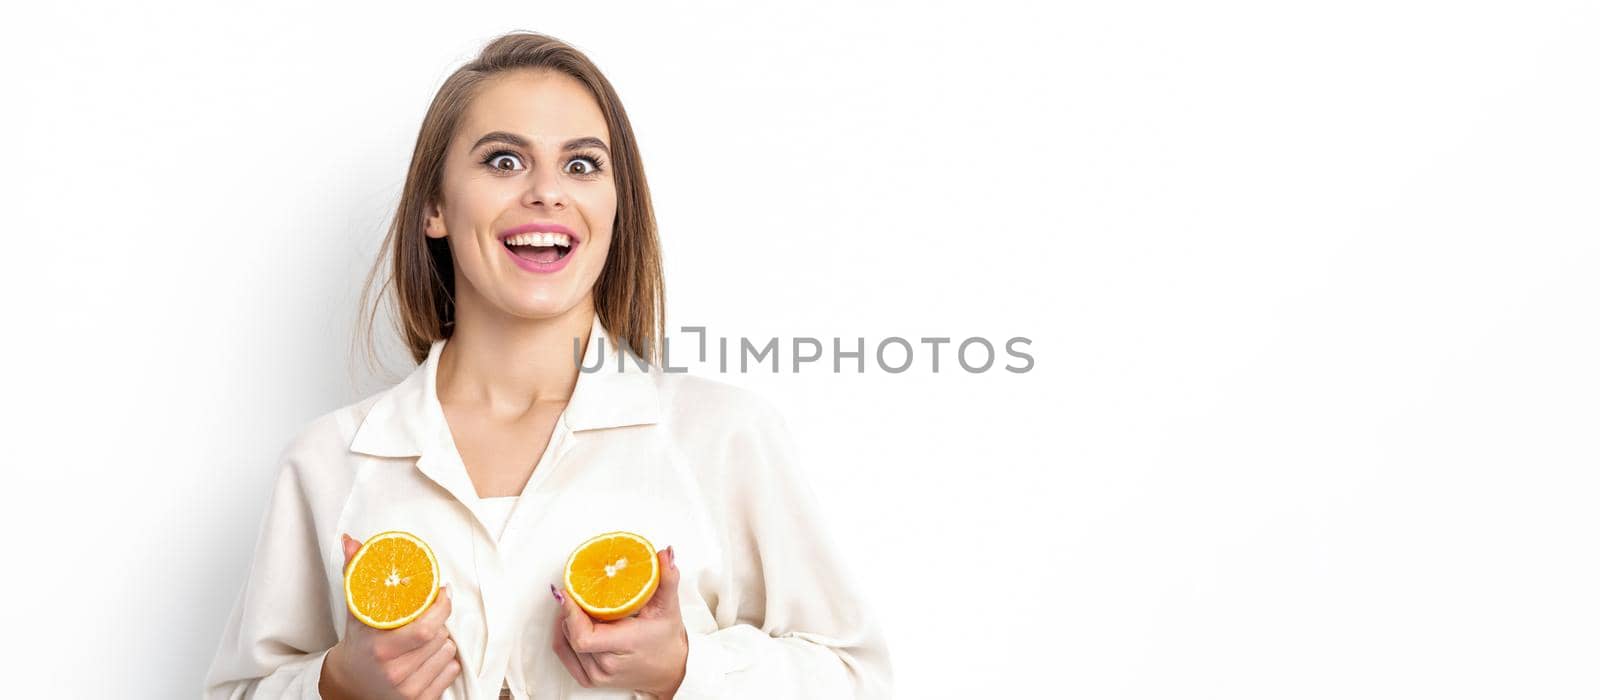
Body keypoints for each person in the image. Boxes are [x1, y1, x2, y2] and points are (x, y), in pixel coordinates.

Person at [202, 30, 893, 700]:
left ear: (615, 206)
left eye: (582, 164)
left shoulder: (720, 436)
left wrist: (684, 671)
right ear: (435, 207)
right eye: (504, 161)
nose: (547, 192)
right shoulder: (330, 463)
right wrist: (340, 687)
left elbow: (857, 680)